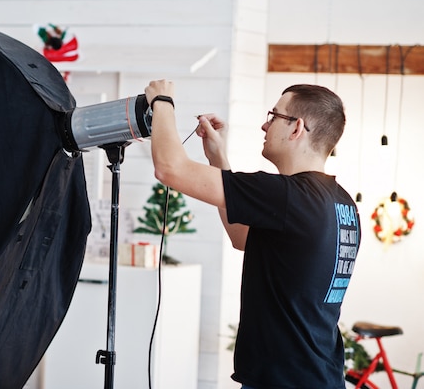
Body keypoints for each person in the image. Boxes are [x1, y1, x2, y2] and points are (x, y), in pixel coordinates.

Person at [145, 80, 361, 388]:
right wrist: (218, 158)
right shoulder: (341, 203)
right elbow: (242, 238)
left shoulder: (289, 196)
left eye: (274, 115)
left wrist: (161, 102)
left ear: (296, 128)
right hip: (316, 376)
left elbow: (170, 169)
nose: (264, 124)